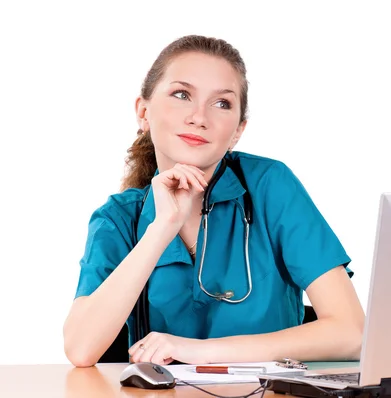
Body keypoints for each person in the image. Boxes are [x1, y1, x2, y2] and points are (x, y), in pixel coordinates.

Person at [63, 35, 365, 368]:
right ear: (143, 112)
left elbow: (351, 332)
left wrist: (197, 352)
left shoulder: (270, 186)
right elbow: (80, 349)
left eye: (221, 103)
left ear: (238, 130)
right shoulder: (119, 219)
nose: (199, 117)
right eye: (182, 95)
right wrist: (163, 226)